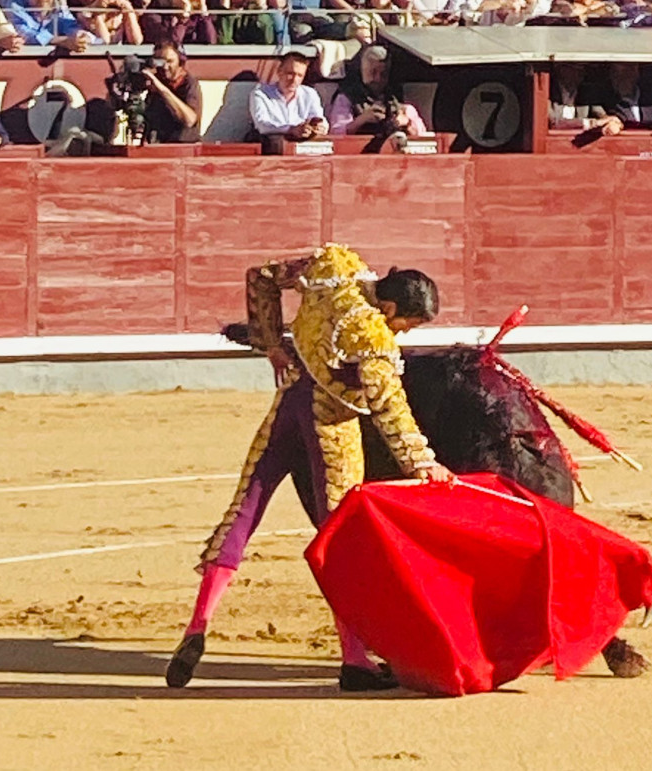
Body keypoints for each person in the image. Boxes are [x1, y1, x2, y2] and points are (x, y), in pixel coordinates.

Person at [165, 243, 453, 692]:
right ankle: (354, 660)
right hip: (332, 426)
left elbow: (261, 277)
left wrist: (271, 344)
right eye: (408, 324)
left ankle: (197, 626)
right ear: (391, 308)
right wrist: (423, 462)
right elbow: (389, 408)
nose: (405, 333)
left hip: (289, 401)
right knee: (341, 537)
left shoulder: (337, 267)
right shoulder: (372, 336)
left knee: (245, 507)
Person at [328, 45, 426, 137]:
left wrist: (406, 122)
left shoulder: (399, 101)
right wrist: (362, 120)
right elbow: (336, 133)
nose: (378, 79)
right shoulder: (346, 98)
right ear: (362, 70)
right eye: (373, 72)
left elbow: (423, 135)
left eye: (383, 74)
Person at [250, 51, 329, 140]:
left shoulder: (310, 94)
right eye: (290, 74)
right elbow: (262, 126)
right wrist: (290, 129)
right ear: (279, 72)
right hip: (271, 142)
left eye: (300, 75)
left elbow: (318, 118)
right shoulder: (261, 93)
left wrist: (319, 127)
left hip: (304, 142)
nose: (294, 80)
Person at [142, 40, 202, 143]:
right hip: (158, 145)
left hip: (183, 146)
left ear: (180, 61)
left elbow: (190, 120)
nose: (165, 67)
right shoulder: (155, 84)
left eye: (170, 61)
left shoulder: (188, 83)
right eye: (160, 62)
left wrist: (162, 90)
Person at [1, 0, 94, 49]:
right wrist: (62, 41)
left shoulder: (58, 4)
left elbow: (68, 23)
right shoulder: (13, 4)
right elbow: (25, 34)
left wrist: (81, 36)